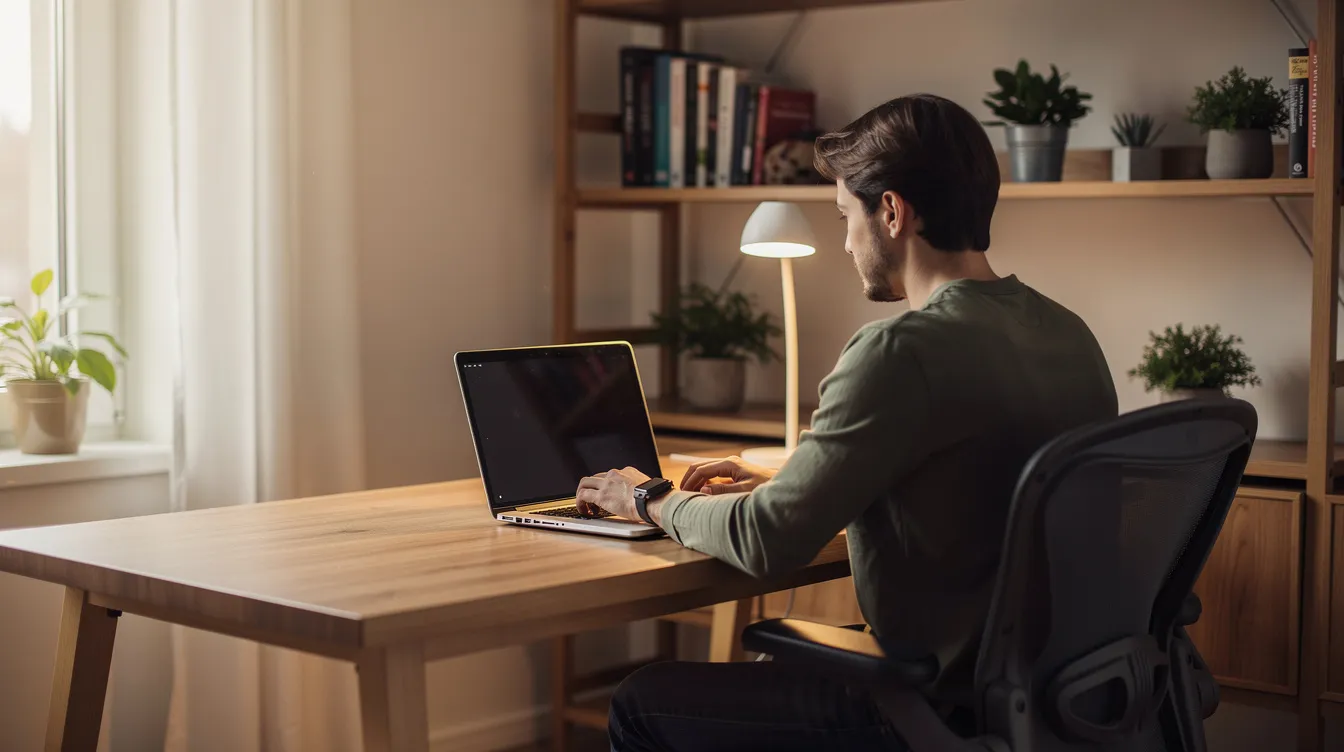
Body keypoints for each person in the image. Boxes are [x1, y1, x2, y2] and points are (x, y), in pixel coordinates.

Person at [575, 93, 1119, 752]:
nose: (845, 242)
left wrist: (649, 497)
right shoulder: (1069, 334)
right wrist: (797, 478)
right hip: (1052, 698)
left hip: (926, 708)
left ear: (891, 212)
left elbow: (767, 541)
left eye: (845, 217)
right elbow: (967, 481)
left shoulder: (899, 352)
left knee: (641, 703)